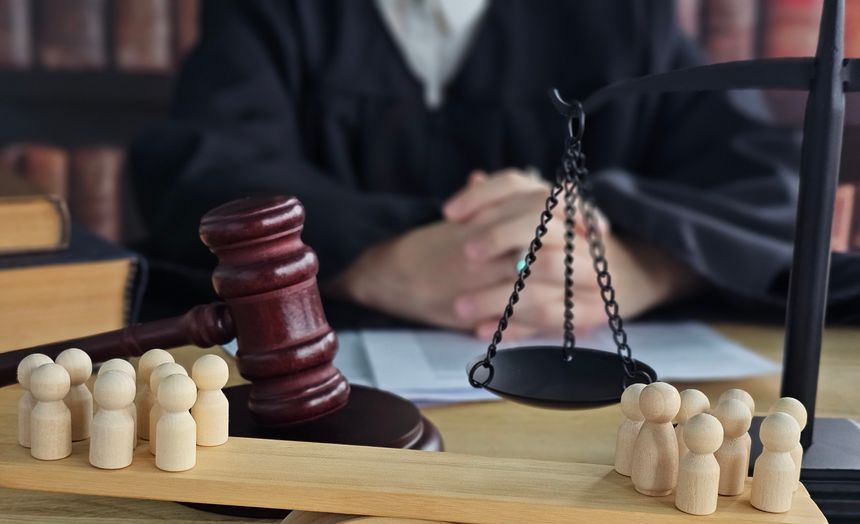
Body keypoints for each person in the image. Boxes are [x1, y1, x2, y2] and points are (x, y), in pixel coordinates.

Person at [132, 0, 823, 334]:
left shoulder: (625, 17)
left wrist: (639, 262)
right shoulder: (272, 14)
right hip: (333, 418)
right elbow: (196, 176)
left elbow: (773, 192)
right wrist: (372, 261)